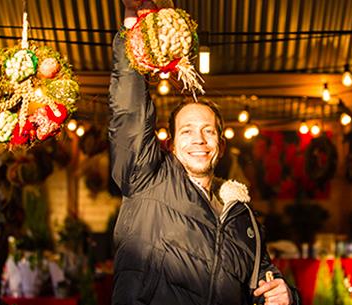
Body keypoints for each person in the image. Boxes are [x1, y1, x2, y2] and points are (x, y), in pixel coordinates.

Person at [108, 1, 299, 304]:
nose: (199, 139)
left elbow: (263, 283)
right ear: (170, 144)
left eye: (208, 131)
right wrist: (133, 32)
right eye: (187, 131)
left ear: (220, 146)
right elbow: (129, 114)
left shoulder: (243, 217)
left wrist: (286, 294)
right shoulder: (147, 179)